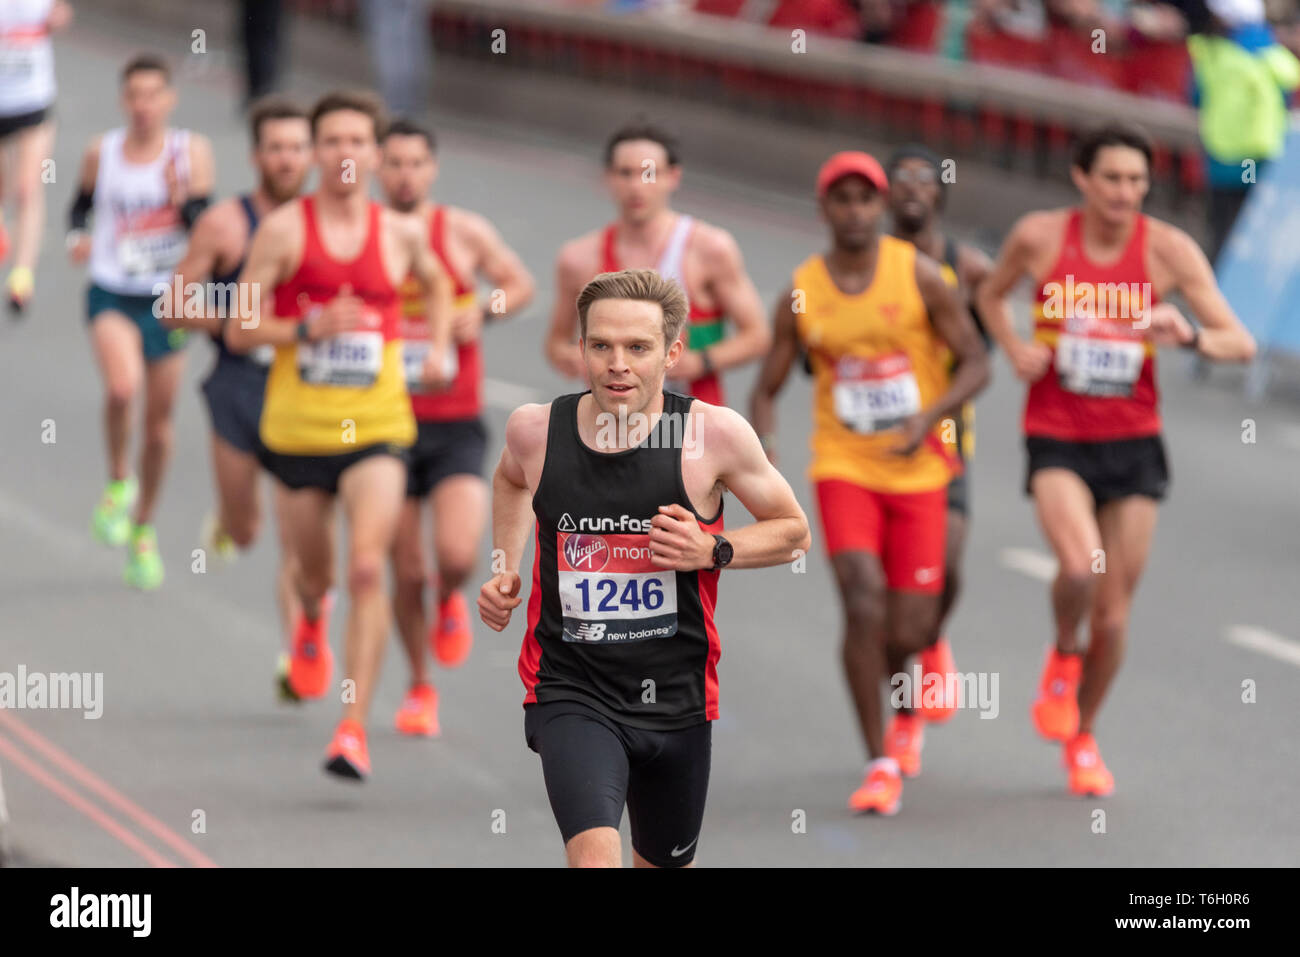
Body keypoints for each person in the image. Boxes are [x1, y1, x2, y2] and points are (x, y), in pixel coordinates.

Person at [480, 269, 810, 867]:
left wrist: (713, 550)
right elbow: (508, 480)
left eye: (638, 347)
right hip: (571, 688)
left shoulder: (713, 436)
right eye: (601, 345)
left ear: (673, 352)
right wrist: (506, 566)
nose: (617, 364)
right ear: (580, 348)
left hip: (677, 702)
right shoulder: (536, 431)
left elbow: (794, 533)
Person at [975, 121, 1256, 796]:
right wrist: (1014, 346)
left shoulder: (1168, 250)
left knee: (1116, 615)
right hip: (1057, 431)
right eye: (1111, 178)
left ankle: (1083, 733)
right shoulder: (1041, 236)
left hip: (1133, 441)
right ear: (1081, 177)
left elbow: (1238, 341)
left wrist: (1184, 332)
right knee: (1078, 564)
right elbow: (990, 294)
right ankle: (1061, 653)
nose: (1125, 193)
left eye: (1136, 180)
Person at [750, 151, 989, 815]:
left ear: (880, 208)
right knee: (861, 600)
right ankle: (880, 755)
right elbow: (766, 387)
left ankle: (912, 673)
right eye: (841, 200)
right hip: (844, 464)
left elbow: (974, 362)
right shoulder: (801, 290)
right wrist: (761, 455)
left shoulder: (918, 275)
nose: (854, 212)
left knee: (906, 628)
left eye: (865, 200)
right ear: (824, 208)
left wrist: (929, 416)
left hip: (920, 464)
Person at [226, 90, 454, 780]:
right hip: (297, 431)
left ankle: (352, 728)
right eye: (332, 142)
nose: (345, 154)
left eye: (358, 142)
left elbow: (439, 284)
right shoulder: (284, 231)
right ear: (316, 151)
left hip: (379, 426)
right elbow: (238, 328)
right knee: (319, 572)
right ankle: (308, 618)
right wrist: (304, 328)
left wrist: (439, 347)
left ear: (376, 155)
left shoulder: (401, 233)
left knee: (367, 566)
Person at [377, 118, 535, 735]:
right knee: (405, 568)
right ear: (376, 170)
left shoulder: (463, 232)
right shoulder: (366, 235)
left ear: (432, 168)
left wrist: (483, 311)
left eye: (416, 162)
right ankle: (419, 687)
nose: (405, 174)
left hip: (454, 418)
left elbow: (518, 285)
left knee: (457, 555)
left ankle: (450, 599)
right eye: (393, 163)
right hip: (383, 424)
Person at [164, 96, 313, 698]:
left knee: (296, 526)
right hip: (237, 385)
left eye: (297, 146)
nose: (286, 158)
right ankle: (226, 524)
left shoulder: (330, 223)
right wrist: (236, 318)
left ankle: (296, 656)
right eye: (275, 147)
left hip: (302, 387)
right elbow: (174, 303)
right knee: (248, 529)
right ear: (256, 156)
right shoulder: (225, 224)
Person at [68, 54, 215, 590]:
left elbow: (208, 226)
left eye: (154, 95)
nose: (143, 106)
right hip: (112, 290)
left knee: (158, 428)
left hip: (168, 300)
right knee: (122, 387)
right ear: (122, 100)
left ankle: (144, 527)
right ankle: (117, 482)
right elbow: (78, 207)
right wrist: (77, 237)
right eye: (134, 95)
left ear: (169, 99)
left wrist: (182, 201)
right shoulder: (100, 151)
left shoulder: (190, 152)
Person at [883, 144, 994, 756]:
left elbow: (985, 353)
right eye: (901, 179)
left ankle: (932, 640)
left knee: (944, 567)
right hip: (869, 449)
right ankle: (902, 720)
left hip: (947, 437)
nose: (913, 190)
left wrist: (932, 407)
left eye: (926, 181)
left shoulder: (967, 268)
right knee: (887, 590)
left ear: (940, 196)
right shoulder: (858, 266)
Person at [545, 121, 769, 407]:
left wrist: (701, 361)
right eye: (625, 173)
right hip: (609, 424)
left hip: (687, 426)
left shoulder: (710, 249)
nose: (637, 186)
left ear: (673, 177)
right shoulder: (578, 258)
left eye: (649, 173)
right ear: (608, 178)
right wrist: (571, 357)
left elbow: (757, 336)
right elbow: (555, 344)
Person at [0, 0, 72, 313]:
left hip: (33, 99)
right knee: (3, 187)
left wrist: (58, 19)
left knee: (29, 187)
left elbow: (61, 12)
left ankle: (22, 275)